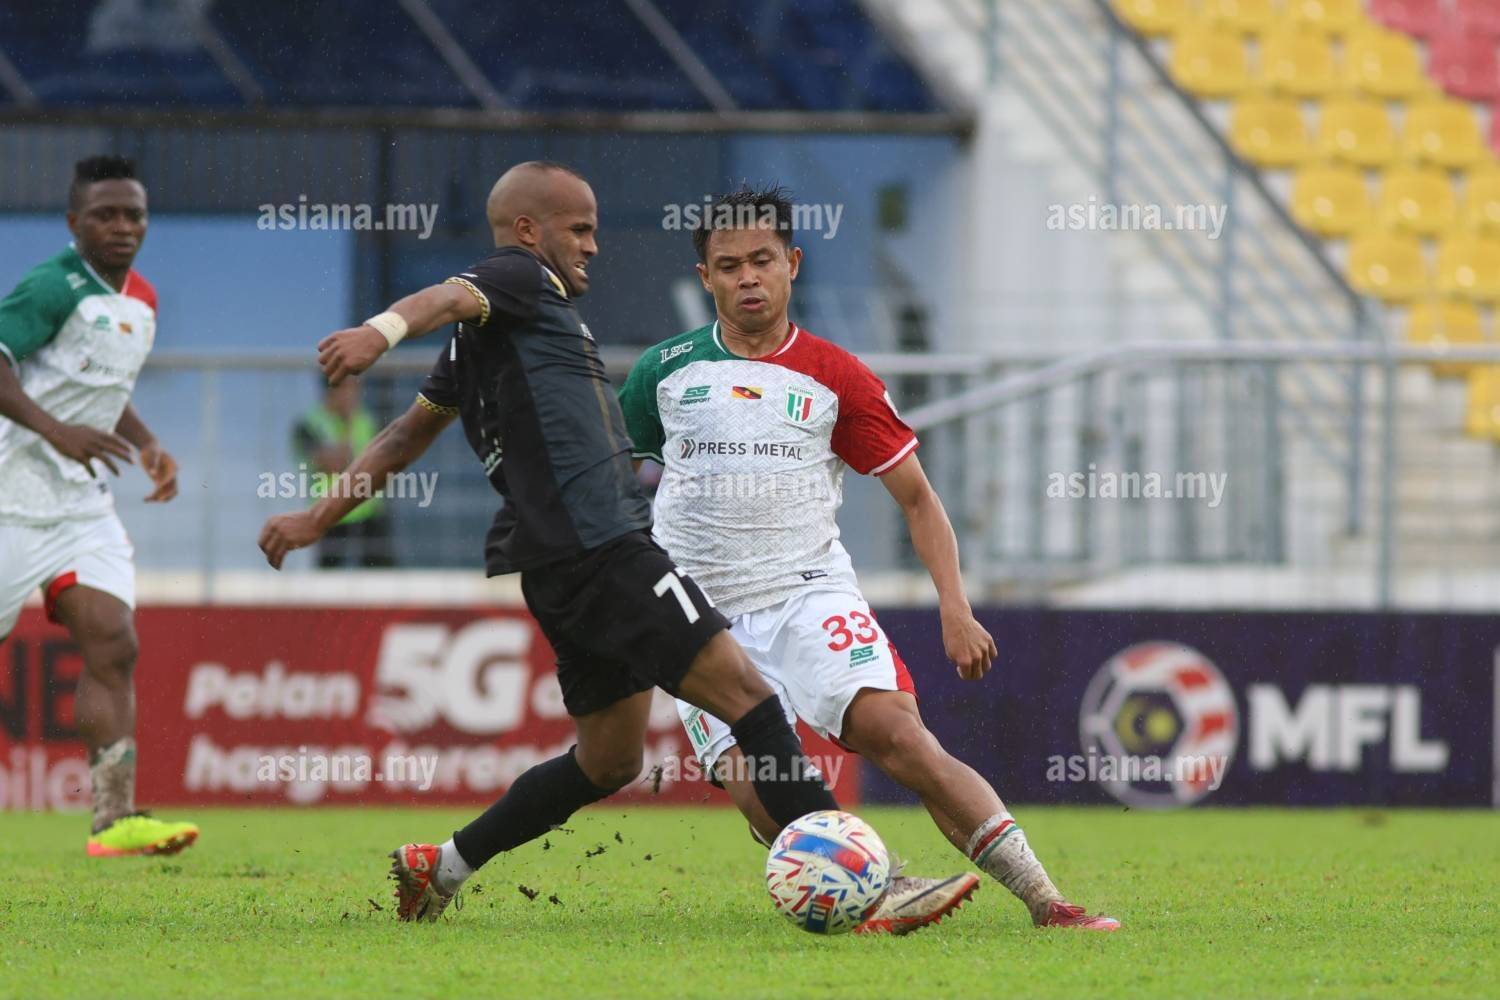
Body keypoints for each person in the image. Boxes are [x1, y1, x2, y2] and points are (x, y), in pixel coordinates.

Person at [262, 161, 886, 925]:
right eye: (581, 229)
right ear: (530, 231)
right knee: (751, 699)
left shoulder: (482, 338)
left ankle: (441, 866)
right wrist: (379, 331)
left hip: (553, 566)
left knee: (609, 759)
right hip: (604, 545)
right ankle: (861, 883)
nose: (593, 246)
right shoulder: (520, 277)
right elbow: (446, 296)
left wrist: (315, 519)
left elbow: (403, 435)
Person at [617, 184, 1120, 931]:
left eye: (762, 260)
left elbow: (918, 499)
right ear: (705, 278)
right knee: (758, 788)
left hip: (807, 592)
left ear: (792, 263)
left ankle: (1048, 900)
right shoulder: (660, 374)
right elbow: (621, 485)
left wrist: (956, 607)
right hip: (700, 613)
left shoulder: (837, 376)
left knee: (899, 736)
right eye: (729, 266)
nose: (748, 278)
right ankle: (874, 893)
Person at [0, 155, 199, 857]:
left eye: (133, 215)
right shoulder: (53, 287)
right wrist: (57, 432)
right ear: (73, 222)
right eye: (105, 215)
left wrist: (146, 443)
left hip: (79, 504)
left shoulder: (140, 299)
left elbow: (102, 389)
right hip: (9, 496)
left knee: (113, 640)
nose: (122, 227)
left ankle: (113, 819)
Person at [291, 376, 394, 567]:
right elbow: (335, 464)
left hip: (369, 516)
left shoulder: (368, 421)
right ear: (331, 390)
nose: (354, 396)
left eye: (356, 389)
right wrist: (347, 424)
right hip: (330, 517)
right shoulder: (308, 425)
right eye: (348, 389)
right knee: (330, 582)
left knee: (383, 579)